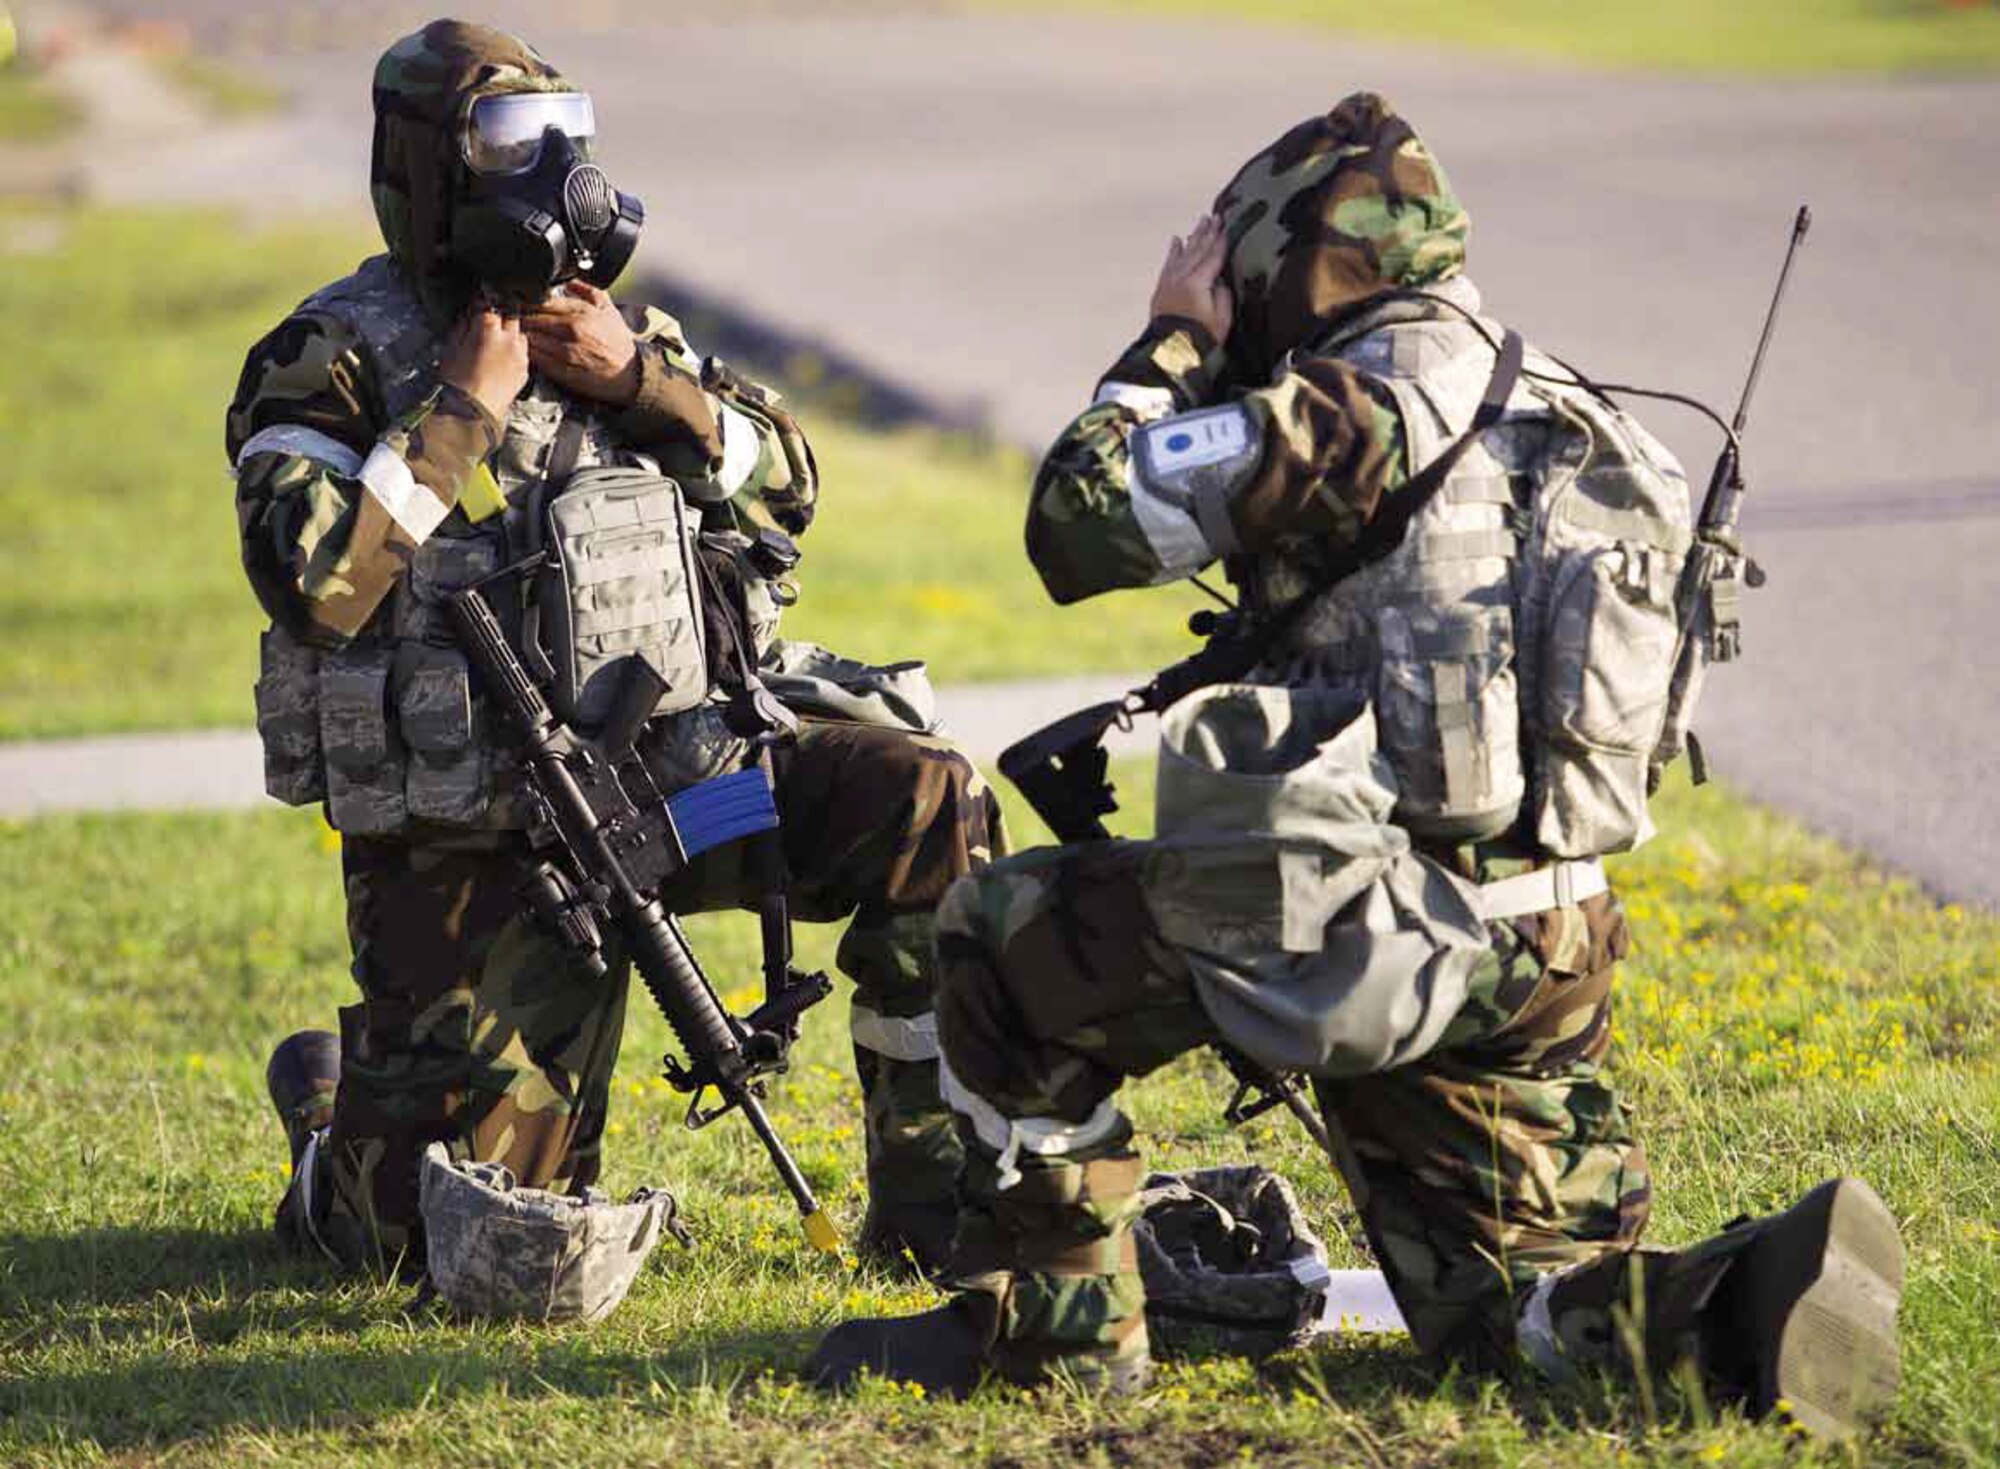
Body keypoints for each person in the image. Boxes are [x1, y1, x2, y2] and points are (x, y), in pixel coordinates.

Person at [809, 94, 1903, 1441]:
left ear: (1294, 261)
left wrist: (1171, 342)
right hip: (1552, 939)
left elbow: (1075, 521)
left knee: (996, 932)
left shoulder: (1349, 406)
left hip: (1361, 930)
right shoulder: (1574, 409)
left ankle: (1056, 1340)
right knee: (1502, 1315)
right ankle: (1734, 1307)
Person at [237, 19, 996, 1280]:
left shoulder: (606, 325)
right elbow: (315, 584)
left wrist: (644, 380)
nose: (552, 176)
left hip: (692, 787)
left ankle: (935, 1216)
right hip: (493, 840)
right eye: (508, 144)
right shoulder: (330, 357)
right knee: (441, 1247)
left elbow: (788, 480)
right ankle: (332, 1138)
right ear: (430, 168)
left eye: (563, 142)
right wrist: (464, 411)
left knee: (926, 795)